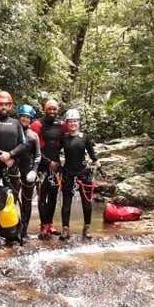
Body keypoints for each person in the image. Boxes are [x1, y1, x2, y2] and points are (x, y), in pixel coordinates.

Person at [60, 109, 100, 240]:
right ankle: (65, 229)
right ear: (67, 123)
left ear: (79, 123)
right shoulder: (64, 138)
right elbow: (55, 151)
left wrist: (98, 165)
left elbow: (92, 153)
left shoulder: (85, 137)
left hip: (83, 173)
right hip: (68, 172)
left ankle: (87, 227)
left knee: (87, 203)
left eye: (75, 121)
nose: (73, 124)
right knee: (66, 203)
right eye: (70, 121)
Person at [30, 99, 65, 240]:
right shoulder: (38, 125)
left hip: (56, 167)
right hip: (42, 167)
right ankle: (43, 225)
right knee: (42, 197)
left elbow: (67, 141)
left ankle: (50, 224)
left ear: (58, 110)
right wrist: (47, 161)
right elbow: (33, 148)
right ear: (45, 110)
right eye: (49, 109)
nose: (52, 111)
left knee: (53, 197)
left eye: (54, 109)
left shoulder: (61, 125)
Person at [17, 104, 41, 241]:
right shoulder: (13, 131)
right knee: (10, 200)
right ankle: (10, 229)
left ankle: (24, 230)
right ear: (19, 117)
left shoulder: (33, 136)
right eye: (23, 116)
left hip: (28, 172)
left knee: (26, 202)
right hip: (13, 172)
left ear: (31, 119)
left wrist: (34, 171)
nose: (25, 119)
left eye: (28, 117)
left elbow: (38, 155)